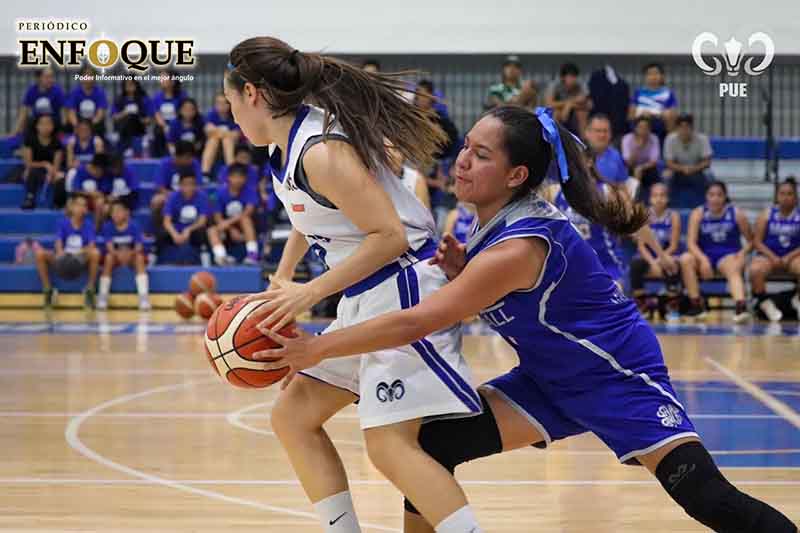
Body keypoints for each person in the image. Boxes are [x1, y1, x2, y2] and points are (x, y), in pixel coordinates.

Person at [254, 105, 798, 533]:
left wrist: (317, 348)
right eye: (466, 146)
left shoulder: (517, 244)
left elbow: (416, 321)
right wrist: (462, 265)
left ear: (516, 174)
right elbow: (515, 291)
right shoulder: (492, 223)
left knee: (708, 499)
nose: (463, 160)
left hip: (616, 379)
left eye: (481, 155)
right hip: (547, 379)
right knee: (435, 448)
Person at [225, 37, 482, 533]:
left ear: (252, 94)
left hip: (404, 285)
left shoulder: (321, 151)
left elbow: (386, 236)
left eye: (231, 101)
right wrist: (284, 276)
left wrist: (309, 291)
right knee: (293, 415)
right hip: (365, 294)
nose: (231, 112)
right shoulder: (288, 146)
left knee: (388, 448)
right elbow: (314, 213)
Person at [680, 181, 752, 321]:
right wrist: (703, 259)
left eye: (719, 195)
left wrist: (742, 253)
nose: (715, 198)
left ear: (725, 197)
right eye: (711, 195)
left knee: (733, 265)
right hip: (704, 255)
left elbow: (752, 240)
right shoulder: (698, 213)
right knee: (685, 259)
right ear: (706, 196)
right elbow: (691, 242)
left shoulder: (736, 213)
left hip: (727, 256)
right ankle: (697, 305)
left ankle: (740, 306)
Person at [35, 193, 100, 309]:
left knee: (95, 253)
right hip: (64, 257)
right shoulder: (62, 223)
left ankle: (90, 290)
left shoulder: (88, 224)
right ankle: (48, 290)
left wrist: (79, 252)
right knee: (40, 254)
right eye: (79, 205)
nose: (81, 208)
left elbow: (91, 245)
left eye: (84, 206)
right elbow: (58, 241)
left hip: (79, 258)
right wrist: (60, 252)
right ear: (72, 207)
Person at [750, 178, 800, 321]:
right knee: (755, 270)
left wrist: (789, 257)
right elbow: (757, 242)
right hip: (769, 256)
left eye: (790, 193)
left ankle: (797, 299)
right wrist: (772, 257)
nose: (785, 197)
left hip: (793, 257)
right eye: (782, 193)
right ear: (777, 196)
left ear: (796, 197)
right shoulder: (766, 214)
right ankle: (765, 303)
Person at [629, 183, 682, 317]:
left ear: (668, 198)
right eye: (655, 195)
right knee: (635, 265)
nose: (659, 199)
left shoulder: (674, 216)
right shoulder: (645, 214)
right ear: (650, 198)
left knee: (672, 264)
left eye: (662, 195)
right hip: (648, 257)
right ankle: (642, 305)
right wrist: (653, 263)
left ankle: (672, 305)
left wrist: (661, 259)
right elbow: (641, 246)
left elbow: (674, 245)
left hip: (667, 253)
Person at [97, 199, 150, 311]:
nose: (116, 214)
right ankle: (102, 296)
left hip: (131, 256)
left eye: (119, 211)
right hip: (115, 257)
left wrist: (129, 254)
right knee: (108, 258)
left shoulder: (134, 225)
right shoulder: (108, 226)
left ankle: (143, 298)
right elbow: (109, 247)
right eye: (113, 212)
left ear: (126, 213)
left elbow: (139, 246)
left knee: (139, 258)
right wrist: (118, 254)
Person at [207, 163, 260, 265]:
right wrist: (231, 229)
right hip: (226, 228)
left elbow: (248, 212)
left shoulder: (250, 191)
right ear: (228, 178)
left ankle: (252, 254)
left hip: (245, 228)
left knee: (245, 220)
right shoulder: (219, 193)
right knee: (212, 230)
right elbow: (218, 218)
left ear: (245, 179)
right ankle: (221, 257)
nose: (238, 180)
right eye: (235, 177)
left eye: (241, 177)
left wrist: (229, 223)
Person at [159, 171, 210, 264]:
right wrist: (174, 234)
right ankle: (152, 260)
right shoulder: (173, 196)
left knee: (204, 234)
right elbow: (167, 221)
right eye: (185, 185)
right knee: (161, 234)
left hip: (194, 229)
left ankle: (206, 264)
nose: (189, 188)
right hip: (177, 229)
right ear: (180, 185)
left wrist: (188, 230)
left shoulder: (202, 196)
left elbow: (202, 221)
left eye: (192, 184)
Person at [663, 113, 713, 209]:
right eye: (681, 127)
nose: (684, 130)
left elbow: (707, 162)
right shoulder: (670, 139)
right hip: (677, 170)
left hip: (698, 169)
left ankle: (711, 204)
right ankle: (666, 206)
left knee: (710, 176)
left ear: (692, 128)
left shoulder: (702, 139)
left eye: (687, 127)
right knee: (666, 176)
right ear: (677, 128)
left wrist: (694, 168)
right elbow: (669, 162)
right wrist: (683, 168)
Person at [20, 114, 63, 210]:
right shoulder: (30, 140)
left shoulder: (57, 142)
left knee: (60, 177)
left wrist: (52, 173)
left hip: (50, 171)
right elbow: (28, 163)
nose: (45, 127)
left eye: (48, 124)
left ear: (53, 126)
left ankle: (58, 204)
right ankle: (29, 198)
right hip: (34, 168)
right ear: (37, 126)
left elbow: (56, 165)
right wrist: (45, 164)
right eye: (42, 124)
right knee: (32, 172)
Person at [628, 62, 678, 142]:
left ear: (662, 76)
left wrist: (657, 114)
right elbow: (631, 115)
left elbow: (672, 114)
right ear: (645, 77)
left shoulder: (668, 93)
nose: (653, 77)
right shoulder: (638, 92)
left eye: (656, 73)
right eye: (650, 74)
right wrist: (642, 113)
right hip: (641, 126)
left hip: (660, 127)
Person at [14, 67, 65, 137]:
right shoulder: (31, 91)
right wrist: (16, 131)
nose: (51, 80)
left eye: (52, 77)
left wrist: (63, 130)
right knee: (29, 123)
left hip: (53, 124)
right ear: (38, 78)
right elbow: (23, 112)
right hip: (37, 124)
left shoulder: (58, 91)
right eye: (47, 77)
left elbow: (63, 112)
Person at [543, 62, 591, 135]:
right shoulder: (555, 84)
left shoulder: (580, 85)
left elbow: (589, 105)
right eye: (570, 76)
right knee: (555, 113)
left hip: (574, 112)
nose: (573, 79)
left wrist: (570, 105)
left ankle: (583, 141)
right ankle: (554, 139)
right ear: (563, 77)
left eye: (575, 76)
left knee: (582, 113)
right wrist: (568, 103)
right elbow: (548, 104)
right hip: (559, 111)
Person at [201, 92, 241, 178]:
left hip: (232, 143)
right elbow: (208, 130)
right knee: (213, 140)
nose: (221, 106)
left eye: (224, 103)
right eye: (218, 103)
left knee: (227, 140)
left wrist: (219, 132)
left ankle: (230, 169)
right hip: (215, 143)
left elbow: (236, 135)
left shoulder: (235, 115)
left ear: (230, 104)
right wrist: (225, 133)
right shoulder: (212, 114)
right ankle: (205, 172)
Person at [621, 116, 660, 202]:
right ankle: (633, 200)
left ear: (650, 129)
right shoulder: (627, 138)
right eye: (641, 127)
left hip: (647, 168)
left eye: (646, 127)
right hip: (630, 167)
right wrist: (638, 147)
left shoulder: (654, 138)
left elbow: (654, 161)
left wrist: (641, 168)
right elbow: (627, 162)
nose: (643, 130)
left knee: (655, 174)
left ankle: (654, 200)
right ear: (635, 128)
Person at [112, 79, 152, 157]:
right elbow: (114, 117)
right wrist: (125, 112)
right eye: (127, 84)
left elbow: (149, 120)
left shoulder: (144, 99)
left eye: (132, 84)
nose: (129, 86)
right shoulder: (119, 99)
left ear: (136, 85)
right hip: (123, 134)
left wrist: (138, 116)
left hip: (139, 133)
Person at [71, 153, 112, 227]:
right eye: (100, 171)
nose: (101, 174)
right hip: (82, 199)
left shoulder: (106, 174)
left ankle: (95, 229)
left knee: (101, 203)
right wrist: (90, 194)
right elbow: (75, 190)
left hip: (97, 202)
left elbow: (105, 192)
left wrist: (99, 195)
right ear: (94, 167)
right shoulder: (81, 170)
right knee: (74, 203)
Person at [584, 114, 628, 184]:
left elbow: (622, 184)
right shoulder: (577, 155)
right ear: (587, 133)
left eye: (605, 131)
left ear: (611, 134)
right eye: (598, 131)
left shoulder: (616, 155)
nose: (602, 135)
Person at [66, 66, 108, 135]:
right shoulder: (74, 92)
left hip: (94, 124)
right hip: (78, 123)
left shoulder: (100, 92)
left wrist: (89, 127)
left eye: (91, 75)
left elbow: (100, 114)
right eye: (86, 75)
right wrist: (77, 125)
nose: (88, 77)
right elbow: (71, 112)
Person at [151, 71, 185, 157]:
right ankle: (160, 156)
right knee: (158, 130)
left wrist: (173, 125)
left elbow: (183, 112)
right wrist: (165, 126)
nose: (161, 80)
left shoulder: (182, 96)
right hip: (163, 125)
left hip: (177, 123)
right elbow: (156, 113)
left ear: (172, 81)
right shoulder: (157, 96)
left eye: (164, 78)